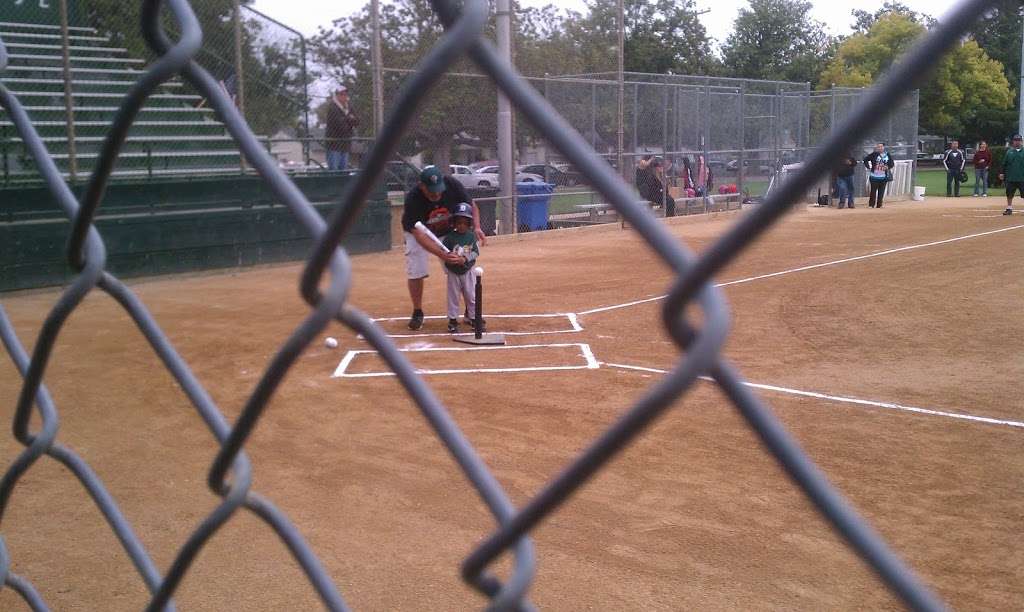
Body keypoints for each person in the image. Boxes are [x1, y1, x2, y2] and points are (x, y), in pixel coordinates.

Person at [401, 167, 486, 330]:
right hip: (419, 232)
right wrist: (442, 254)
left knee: (461, 267)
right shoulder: (413, 199)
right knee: (416, 269)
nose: (436, 195)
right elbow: (420, 236)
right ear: (422, 186)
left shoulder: (452, 185)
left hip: (446, 230)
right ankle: (417, 312)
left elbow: (472, 205)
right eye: (432, 192)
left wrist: (476, 227)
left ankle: (471, 312)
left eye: (439, 190)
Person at [442, 203, 481, 333]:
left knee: (471, 296)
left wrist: (464, 259)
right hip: (453, 273)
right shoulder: (449, 238)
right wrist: (450, 257)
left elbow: (475, 252)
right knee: (453, 297)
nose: (461, 225)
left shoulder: (471, 236)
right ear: (454, 223)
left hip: (468, 271)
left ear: (469, 223)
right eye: (458, 222)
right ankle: (452, 320)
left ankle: (473, 318)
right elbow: (443, 253)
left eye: (465, 223)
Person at [325, 86, 359, 171]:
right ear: (336, 95)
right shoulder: (333, 107)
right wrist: (350, 119)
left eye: (345, 94)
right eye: (341, 94)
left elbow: (357, 121)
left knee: (344, 170)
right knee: (334, 171)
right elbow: (340, 126)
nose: (344, 96)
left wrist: (347, 119)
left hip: (345, 144)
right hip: (334, 144)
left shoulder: (349, 106)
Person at [998, 134, 1024, 216]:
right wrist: (1001, 173)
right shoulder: (1009, 152)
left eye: (1019, 140)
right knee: (1009, 193)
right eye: (1016, 140)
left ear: (1021, 142)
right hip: (1011, 177)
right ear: (1013, 142)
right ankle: (1009, 208)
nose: (1017, 142)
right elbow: (1004, 164)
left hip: (1022, 177)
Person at [863, 143, 894, 208]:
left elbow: (892, 163)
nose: (880, 148)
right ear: (877, 148)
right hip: (874, 176)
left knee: (881, 192)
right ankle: (871, 205)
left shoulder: (887, 155)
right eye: (878, 147)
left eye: (881, 146)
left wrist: (887, 167)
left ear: (884, 147)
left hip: (883, 177)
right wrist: (869, 167)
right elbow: (865, 159)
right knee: (873, 191)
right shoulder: (874, 154)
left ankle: (879, 205)